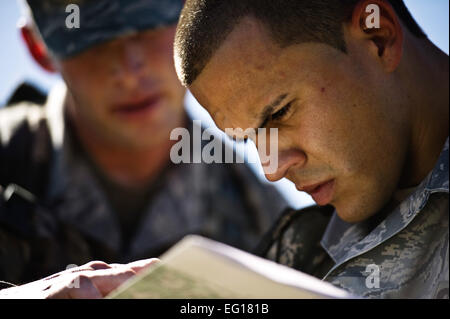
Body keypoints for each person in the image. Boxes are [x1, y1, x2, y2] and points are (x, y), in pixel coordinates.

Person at [0, 0, 287, 298]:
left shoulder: (261, 216)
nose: (129, 69)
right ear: (38, 47)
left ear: (200, 27)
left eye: (150, 27)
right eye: (94, 38)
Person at [174, 0, 449, 298]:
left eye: (279, 113)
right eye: (248, 138)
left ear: (378, 38)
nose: (272, 169)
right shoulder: (295, 257)